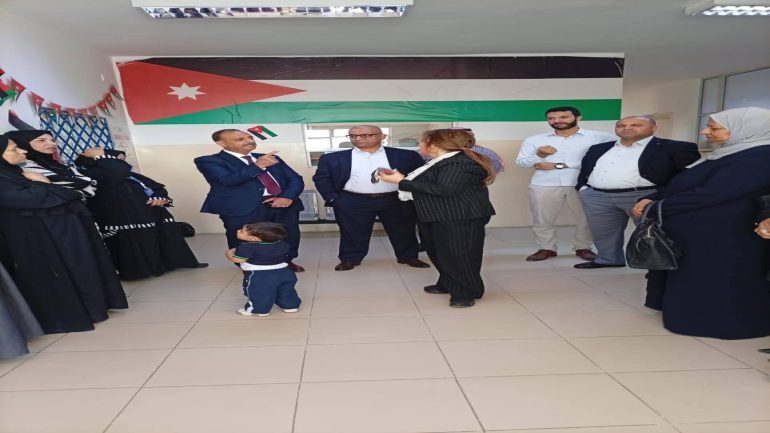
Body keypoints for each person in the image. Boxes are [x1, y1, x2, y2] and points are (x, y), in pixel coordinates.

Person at [632, 107, 770, 339]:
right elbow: (684, 184)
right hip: (700, 233)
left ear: (747, 129)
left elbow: (714, 193)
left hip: (724, 236)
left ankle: (713, 324)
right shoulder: (728, 153)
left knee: (717, 280)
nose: (706, 132)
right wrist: (653, 198)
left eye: (714, 128)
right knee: (693, 276)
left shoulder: (760, 157)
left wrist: (658, 207)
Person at [0, 135, 127, 333]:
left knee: (81, 268)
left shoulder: (16, 173)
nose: (22, 151)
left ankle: (93, 309)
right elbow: (34, 199)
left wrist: (46, 186)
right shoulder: (7, 179)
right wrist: (46, 184)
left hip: (59, 234)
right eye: (14, 149)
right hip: (36, 241)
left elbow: (79, 188)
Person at [379, 129, 496, 308]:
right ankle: (448, 283)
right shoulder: (440, 161)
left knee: (458, 256)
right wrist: (400, 178)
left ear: (434, 145)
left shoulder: (458, 163)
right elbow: (432, 183)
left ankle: (465, 293)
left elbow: (445, 190)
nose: (419, 145)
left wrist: (400, 182)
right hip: (437, 214)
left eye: (422, 141)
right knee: (440, 253)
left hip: (458, 216)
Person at [574, 116, 700, 269]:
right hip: (597, 197)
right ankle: (609, 259)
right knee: (603, 233)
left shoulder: (675, 147)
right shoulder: (599, 148)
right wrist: (583, 188)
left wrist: (659, 195)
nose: (627, 128)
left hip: (644, 196)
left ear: (654, 128)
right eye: (621, 125)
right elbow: (586, 169)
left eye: (636, 125)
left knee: (655, 230)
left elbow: (686, 176)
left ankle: (661, 262)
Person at [312, 125, 430, 271]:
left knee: (403, 229)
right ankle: (350, 259)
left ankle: (408, 256)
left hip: (395, 199)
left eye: (365, 135)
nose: (358, 138)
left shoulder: (406, 155)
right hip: (353, 200)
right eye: (353, 135)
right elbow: (321, 179)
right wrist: (334, 199)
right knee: (352, 231)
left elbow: (421, 176)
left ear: (382, 136)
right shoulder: (332, 158)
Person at [195, 129, 305, 272]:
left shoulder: (269, 158)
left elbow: (295, 178)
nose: (249, 141)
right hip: (242, 207)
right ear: (222, 143)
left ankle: (285, 261)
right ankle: (248, 266)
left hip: (282, 204)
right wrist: (257, 166)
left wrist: (287, 197)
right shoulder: (209, 161)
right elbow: (227, 180)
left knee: (287, 235)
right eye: (240, 139)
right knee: (244, 239)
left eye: (250, 137)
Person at [515, 107, 615, 262]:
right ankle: (546, 248)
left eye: (563, 117)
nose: (557, 121)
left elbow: (606, 160)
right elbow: (522, 163)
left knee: (586, 218)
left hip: (584, 183)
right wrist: (540, 155)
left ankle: (583, 247)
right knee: (542, 218)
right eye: (551, 118)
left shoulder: (601, 137)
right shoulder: (534, 140)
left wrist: (560, 165)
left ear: (578, 117)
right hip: (544, 184)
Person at [225, 222, 302, 317]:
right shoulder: (282, 243)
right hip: (285, 272)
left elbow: (237, 259)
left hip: (260, 276)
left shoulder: (246, 247)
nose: (238, 230)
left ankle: (258, 310)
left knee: (259, 292)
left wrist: (229, 253)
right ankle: (290, 306)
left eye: (242, 231)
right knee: (286, 290)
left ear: (254, 238)